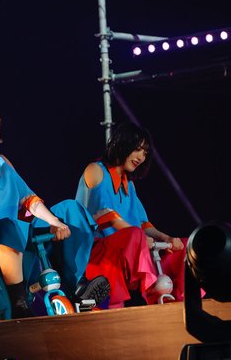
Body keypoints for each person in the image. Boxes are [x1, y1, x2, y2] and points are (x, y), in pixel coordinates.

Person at [0, 106, 109, 320]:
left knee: (70, 210)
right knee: (6, 226)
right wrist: (12, 233)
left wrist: (55, 222)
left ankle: (75, 287)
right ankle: (19, 303)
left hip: (12, 235)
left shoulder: (2, 162)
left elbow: (29, 200)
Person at [75, 121, 187, 308]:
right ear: (122, 144)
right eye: (137, 150)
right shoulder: (96, 170)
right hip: (95, 250)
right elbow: (104, 214)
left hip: (128, 249)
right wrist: (141, 238)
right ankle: (150, 285)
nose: (141, 157)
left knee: (183, 246)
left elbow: (143, 224)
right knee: (135, 235)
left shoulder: (130, 185)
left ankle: (181, 300)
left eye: (145, 153)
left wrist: (166, 238)